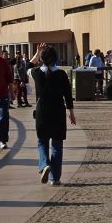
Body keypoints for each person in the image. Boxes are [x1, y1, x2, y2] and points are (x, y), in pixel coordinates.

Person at [29, 44, 76, 186]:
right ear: (56, 59)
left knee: (42, 142)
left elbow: (26, 67)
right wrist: (71, 113)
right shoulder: (61, 74)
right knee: (57, 145)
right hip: (58, 113)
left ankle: (44, 165)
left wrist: (37, 53)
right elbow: (68, 95)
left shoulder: (37, 73)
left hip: (42, 113)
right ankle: (55, 178)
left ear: (42, 60)